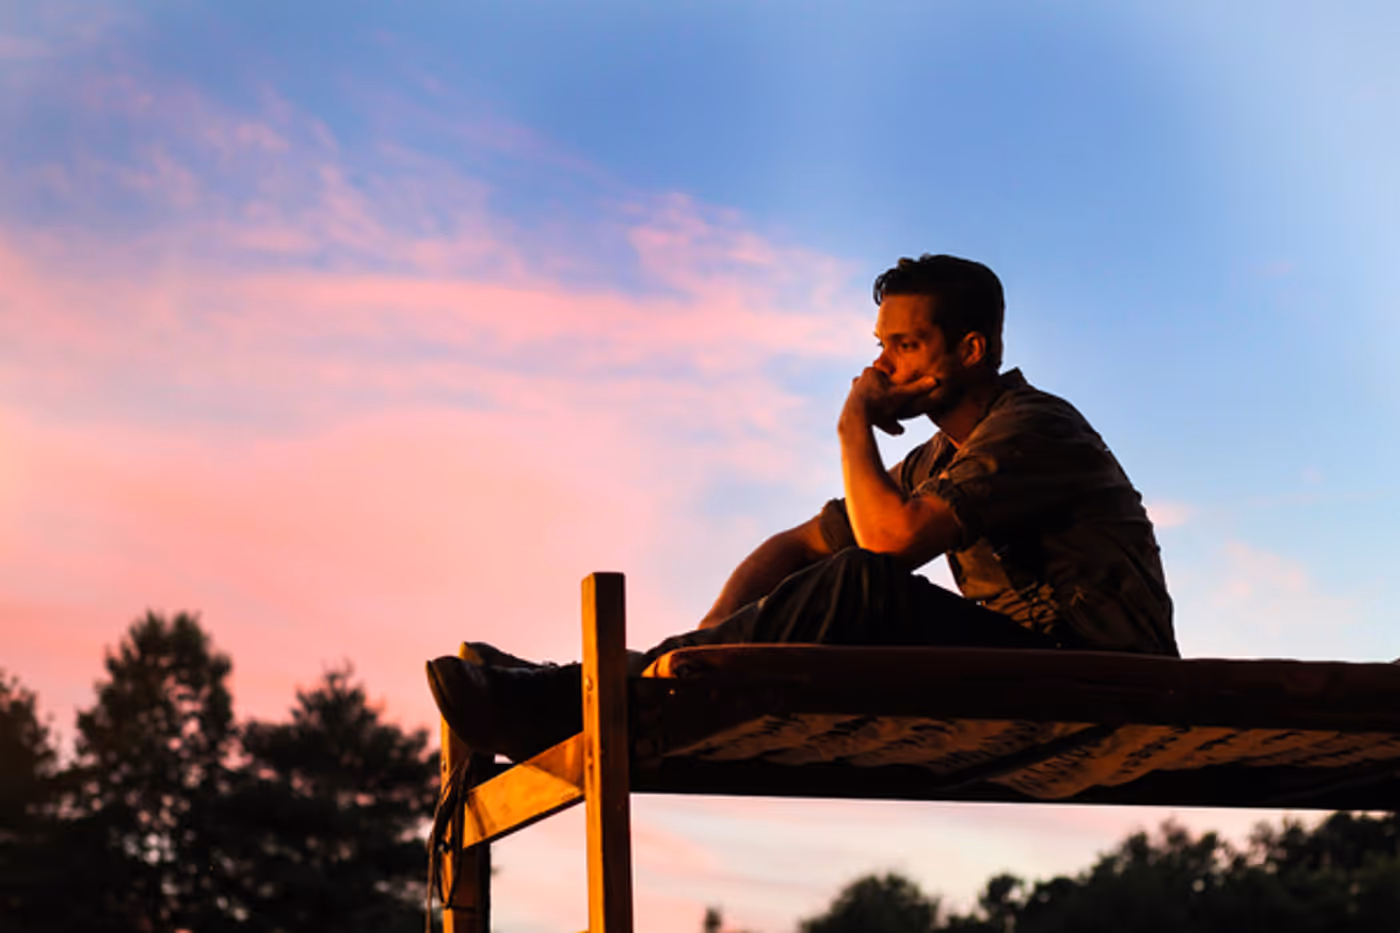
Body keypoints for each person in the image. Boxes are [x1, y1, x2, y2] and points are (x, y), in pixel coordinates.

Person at [427, 254, 1178, 762]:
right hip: (1031, 665)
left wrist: (852, 421)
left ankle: (577, 699)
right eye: (879, 345)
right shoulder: (935, 460)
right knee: (836, 574)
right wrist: (703, 650)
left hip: (1106, 673)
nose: (880, 366)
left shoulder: (1032, 426)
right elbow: (792, 547)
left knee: (861, 582)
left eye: (906, 345)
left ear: (971, 350)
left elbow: (886, 551)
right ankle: (603, 690)